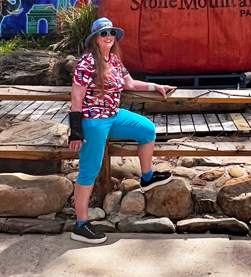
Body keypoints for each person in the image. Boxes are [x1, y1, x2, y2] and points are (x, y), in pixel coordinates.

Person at [68, 17, 177, 244]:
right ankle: (81, 225)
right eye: (104, 34)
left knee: (147, 129)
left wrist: (155, 86)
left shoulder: (115, 60)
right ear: (95, 39)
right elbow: (76, 97)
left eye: (111, 33)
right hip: (92, 121)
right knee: (90, 170)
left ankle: (147, 177)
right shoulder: (87, 62)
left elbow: (129, 84)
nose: (109, 37)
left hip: (113, 115)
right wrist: (76, 131)